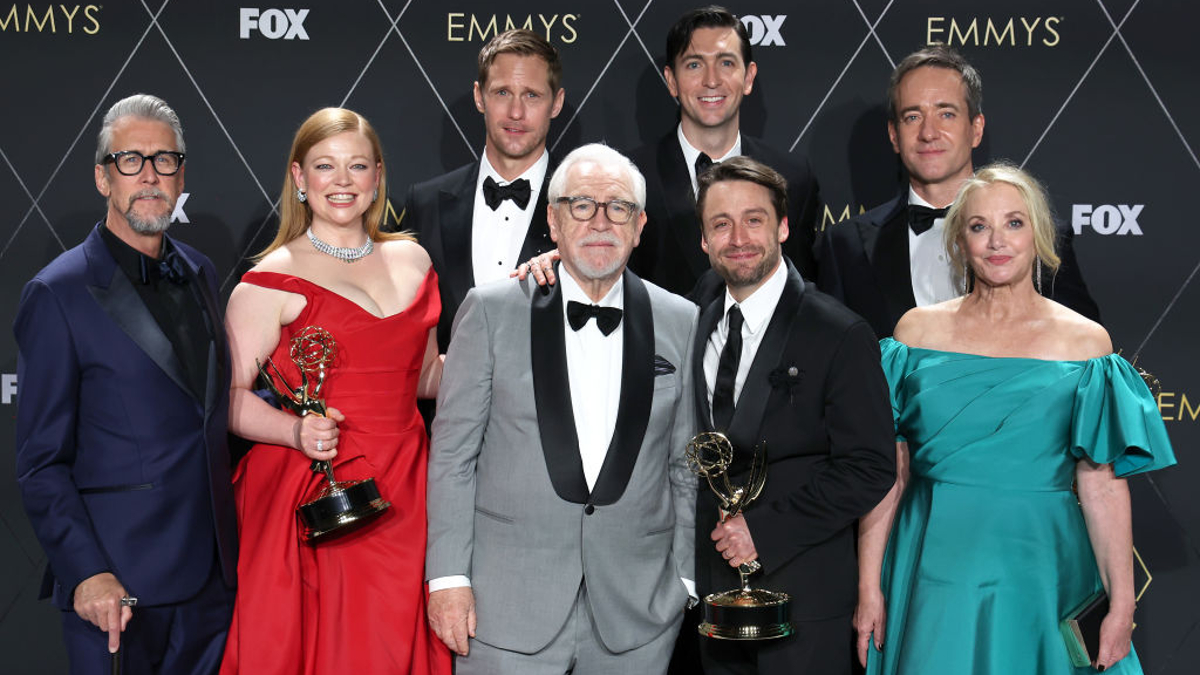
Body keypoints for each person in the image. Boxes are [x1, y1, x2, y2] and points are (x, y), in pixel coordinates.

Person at [855, 163, 1176, 674]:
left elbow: (1101, 485)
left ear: (1040, 236)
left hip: (1044, 568)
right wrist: (869, 587)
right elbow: (890, 475)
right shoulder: (914, 336)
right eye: (979, 226)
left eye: (1014, 223)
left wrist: (1123, 601)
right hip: (933, 565)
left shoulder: (1086, 344)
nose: (996, 241)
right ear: (960, 241)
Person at [425, 143, 697, 674]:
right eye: (581, 205)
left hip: (639, 611)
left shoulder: (681, 320)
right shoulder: (489, 311)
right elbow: (453, 457)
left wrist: (683, 578)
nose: (600, 221)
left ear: (639, 226)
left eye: (617, 208)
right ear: (552, 219)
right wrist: (448, 578)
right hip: (501, 606)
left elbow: (686, 464)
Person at [218, 108, 449, 674]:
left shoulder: (414, 260)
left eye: (357, 166)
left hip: (411, 484)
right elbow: (227, 398)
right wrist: (294, 431)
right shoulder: (268, 279)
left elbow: (425, 377)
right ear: (299, 178)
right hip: (321, 491)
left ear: (378, 177)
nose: (342, 181)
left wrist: (513, 324)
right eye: (325, 166)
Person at [14, 93, 237, 674]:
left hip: (211, 579)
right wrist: (86, 571)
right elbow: (41, 462)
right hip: (118, 588)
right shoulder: (57, 293)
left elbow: (204, 409)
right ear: (102, 177)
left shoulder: (200, 270)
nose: (149, 176)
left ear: (181, 174)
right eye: (130, 161)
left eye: (164, 161)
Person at [692, 156, 895, 674]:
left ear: (783, 227)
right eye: (721, 223)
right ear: (704, 239)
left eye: (754, 219)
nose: (738, 236)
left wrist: (765, 531)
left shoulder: (840, 333)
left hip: (804, 603)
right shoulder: (693, 314)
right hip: (710, 606)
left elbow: (871, 466)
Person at [816, 44, 1099, 337]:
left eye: (946, 114)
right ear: (894, 135)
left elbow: (1083, 353)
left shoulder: (1042, 237)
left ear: (976, 129)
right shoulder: (843, 247)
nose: (928, 133)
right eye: (913, 116)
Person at [629, 5, 821, 296]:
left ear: (748, 77)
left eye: (726, 63)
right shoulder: (630, 177)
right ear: (671, 80)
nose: (711, 80)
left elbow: (799, 294)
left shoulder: (794, 177)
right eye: (694, 64)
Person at [398, 28, 563, 353]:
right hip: (444, 400)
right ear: (479, 96)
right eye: (502, 93)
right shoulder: (426, 202)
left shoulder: (584, 206)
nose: (516, 112)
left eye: (532, 95)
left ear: (555, 103)